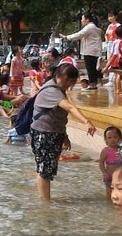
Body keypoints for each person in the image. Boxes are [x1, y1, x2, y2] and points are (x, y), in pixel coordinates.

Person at [29, 64, 98, 202]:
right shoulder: (51, 91)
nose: (68, 84)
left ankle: (45, 200)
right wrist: (86, 121)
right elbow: (70, 107)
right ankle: (45, 203)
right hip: (44, 133)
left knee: (48, 169)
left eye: (72, 82)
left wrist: (64, 135)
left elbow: (57, 116)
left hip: (53, 132)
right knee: (44, 170)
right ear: (58, 76)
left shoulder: (59, 89)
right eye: (66, 80)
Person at [66, 13, 104, 91]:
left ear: (87, 19)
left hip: (90, 51)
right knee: (92, 68)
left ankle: (92, 85)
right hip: (93, 50)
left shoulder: (89, 27)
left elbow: (79, 34)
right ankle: (93, 83)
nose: (81, 20)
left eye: (83, 18)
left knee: (90, 68)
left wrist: (67, 37)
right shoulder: (93, 27)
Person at [99, 127, 122, 195]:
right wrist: (104, 172)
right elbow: (101, 163)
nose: (112, 140)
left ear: (119, 138)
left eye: (115, 137)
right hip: (109, 176)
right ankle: (109, 204)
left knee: (120, 192)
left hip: (120, 176)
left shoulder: (121, 149)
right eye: (109, 138)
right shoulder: (105, 150)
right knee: (109, 193)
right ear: (106, 140)